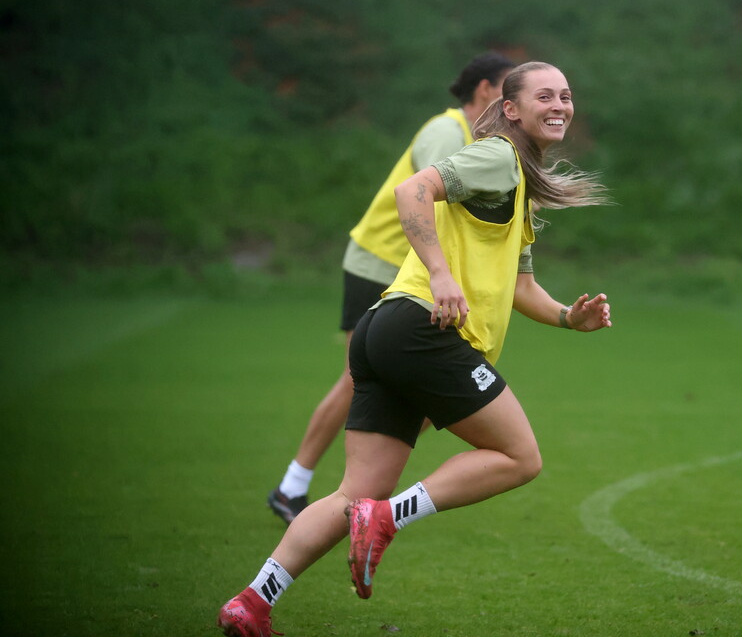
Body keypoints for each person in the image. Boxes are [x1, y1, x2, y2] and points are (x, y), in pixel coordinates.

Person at [218, 61, 612, 636]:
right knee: (520, 458)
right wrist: (441, 274)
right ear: (511, 109)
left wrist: (565, 317)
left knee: (352, 494)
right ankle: (386, 518)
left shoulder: (515, 179)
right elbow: (414, 190)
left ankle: (254, 601)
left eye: (567, 96)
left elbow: (521, 286)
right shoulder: (498, 156)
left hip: (388, 329)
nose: (560, 105)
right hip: (424, 327)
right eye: (545, 96)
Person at [267, 52, 516, 524]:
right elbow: (425, 198)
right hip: (381, 263)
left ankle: (363, 492)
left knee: (414, 387)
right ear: (485, 90)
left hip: (418, 270)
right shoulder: (448, 132)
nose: (515, 102)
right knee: (358, 380)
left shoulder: (488, 143)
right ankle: (293, 487)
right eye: (510, 88)